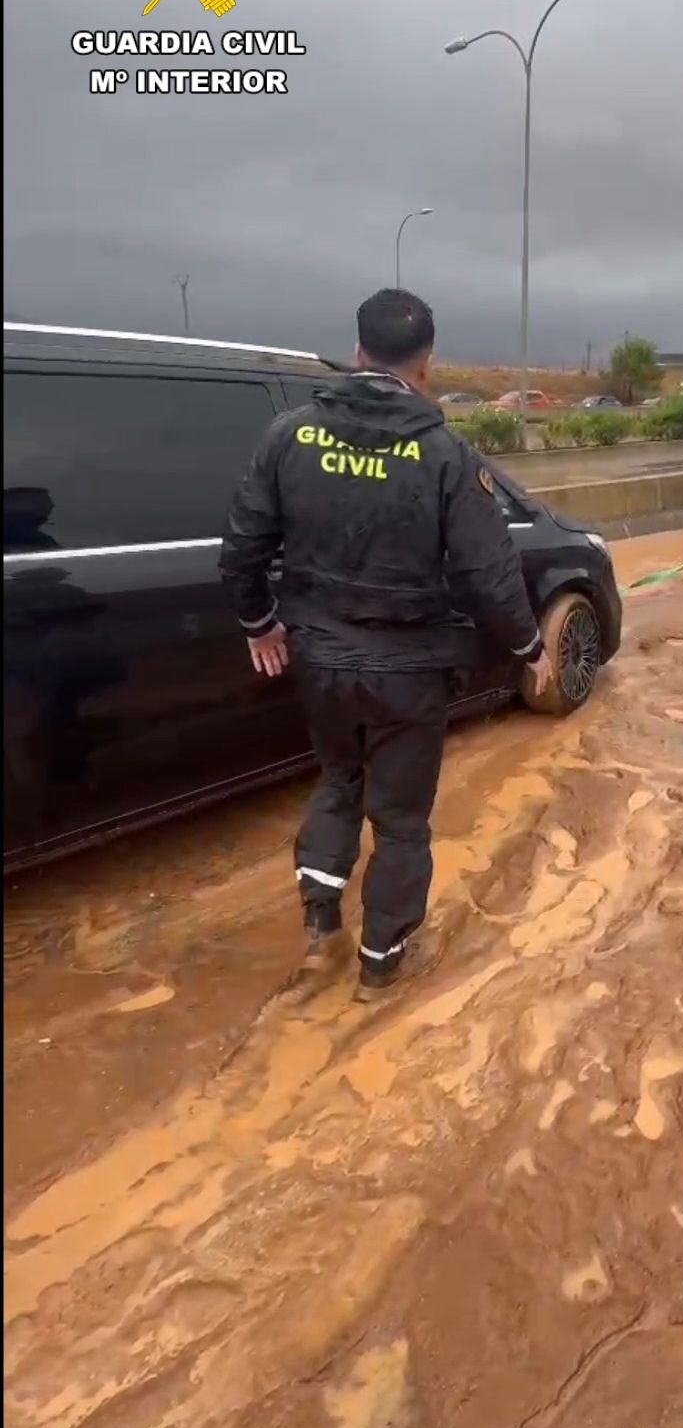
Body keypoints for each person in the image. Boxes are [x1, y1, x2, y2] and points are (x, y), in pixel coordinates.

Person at [219, 288, 552, 1000]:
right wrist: (529, 648)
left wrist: (259, 624)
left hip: (321, 664)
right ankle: (381, 965)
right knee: (400, 820)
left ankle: (320, 939)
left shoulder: (291, 434)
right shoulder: (443, 453)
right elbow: (488, 572)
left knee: (339, 783)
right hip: (408, 675)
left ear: (360, 352)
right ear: (426, 365)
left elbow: (242, 547)